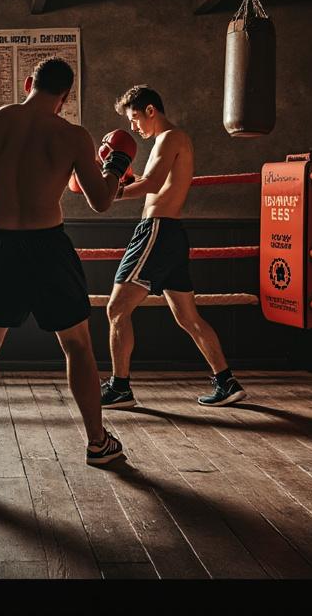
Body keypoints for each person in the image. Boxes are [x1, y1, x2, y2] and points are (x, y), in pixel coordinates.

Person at [0, 56, 132, 482]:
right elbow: (101, 200)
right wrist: (116, 165)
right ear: (65, 97)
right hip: (49, 249)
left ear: (28, 84)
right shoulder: (72, 135)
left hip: (1, 246)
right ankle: (98, 443)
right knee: (77, 346)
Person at [99, 85, 247, 410]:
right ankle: (226, 381)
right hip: (170, 235)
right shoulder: (169, 141)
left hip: (157, 232)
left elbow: (152, 184)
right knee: (188, 318)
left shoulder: (169, 138)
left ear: (151, 110)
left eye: (135, 118)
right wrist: (126, 179)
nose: (133, 127)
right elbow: (155, 183)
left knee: (116, 309)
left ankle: (120, 387)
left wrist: (110, 192)